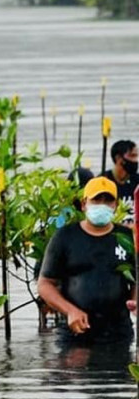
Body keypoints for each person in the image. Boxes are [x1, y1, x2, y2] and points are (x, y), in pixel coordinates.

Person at [38, 175, 135, 343]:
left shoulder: (127, 237)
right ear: (84, 204)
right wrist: (70, 311)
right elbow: (45, 284)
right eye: (96, 200)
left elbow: (136, 279)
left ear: (116, 205)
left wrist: (135, 301)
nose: (102, 205)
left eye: (108, 201)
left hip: (118, 332)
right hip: (74, 332)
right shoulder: (65, 237)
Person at [99, 139, 138, 216]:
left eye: (136, 156)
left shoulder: (137, 181)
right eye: (132, 156)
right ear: (118, 158)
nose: (136, 160)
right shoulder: (103, 180)